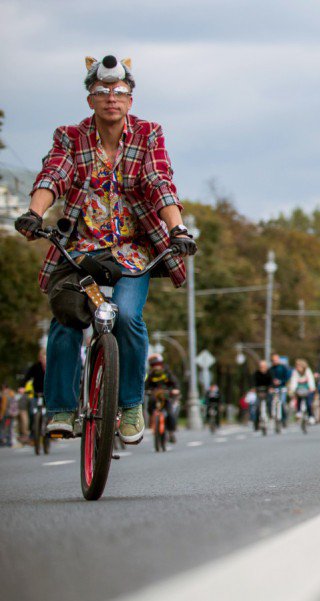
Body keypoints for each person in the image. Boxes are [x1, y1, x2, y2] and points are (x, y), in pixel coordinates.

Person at [13, 55, 197, 444]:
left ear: (131, 99)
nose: (111, 98)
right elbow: (54, 173)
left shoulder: (148, 134)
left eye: (119, 92)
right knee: (66, 317)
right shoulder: (70, 136)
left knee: (128, 316)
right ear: (90, 99)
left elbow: (158, 179)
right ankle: (62, 408)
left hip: (133, 251)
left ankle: (130, 404)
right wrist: (33, 214)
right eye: (102, 92)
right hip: (81, 251)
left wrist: (176, 228)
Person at [146, 354, 180, 442]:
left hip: (166, 396)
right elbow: (146, 385)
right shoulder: (150, 374)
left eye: (157, 364)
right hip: (155, 396)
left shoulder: (167, 372)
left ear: (161, 364)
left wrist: (175, 390)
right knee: (150, 405)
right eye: (153, 365)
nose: (156, 366)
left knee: (170, 414)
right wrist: (146, 391)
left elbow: (175, 383)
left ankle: (171, 432)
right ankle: (152, 421)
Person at [288, 359, 317, 424]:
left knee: (309, 403)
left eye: (299, 366)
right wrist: (292, 390)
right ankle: (299, 411)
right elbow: (293, 381)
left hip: (308, 389)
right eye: (297, 366)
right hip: (300, 390)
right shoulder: (295, 372)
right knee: (299, 399)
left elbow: (311, 380)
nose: (298, 368)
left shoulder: (307, 371)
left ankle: (311, 416)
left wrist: (312, 388)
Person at [253, 360, 273, 430]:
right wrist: (254, 388)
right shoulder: (256, 373)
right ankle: (256, 423)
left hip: (267, 391)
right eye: (261, 366)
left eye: (264, 366)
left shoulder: (269, 373)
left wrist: (270, 388)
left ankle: (270, 416)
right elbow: (254, 382)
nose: (262, 367)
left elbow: (271, 381)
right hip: (259, 392)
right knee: (257, 407)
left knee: (269, 403)